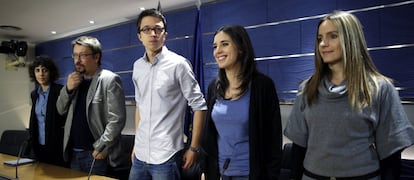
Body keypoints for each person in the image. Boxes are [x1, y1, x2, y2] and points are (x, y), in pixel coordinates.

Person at [284, 11, 414, 180]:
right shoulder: (307, 89)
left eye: (332, 36)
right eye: (319, 38)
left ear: (351, 39)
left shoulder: (380, 89)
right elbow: (298, 148)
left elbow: (391, 155)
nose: (323, 44)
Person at [129, 8, 207, 180]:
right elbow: (139, 107)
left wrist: (193, 148)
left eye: (158, 29)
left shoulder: (178, 64)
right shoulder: (137, 67)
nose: (153, 34)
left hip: (167, 155)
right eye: (147, 29)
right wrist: (136, 143)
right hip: (140, 154)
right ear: (139, 36)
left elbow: (199, 106)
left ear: (165, 34)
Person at [202, 25, 283, 180]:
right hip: (220, 174)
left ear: (241, 48)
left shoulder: (262, 86)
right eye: (215, 46)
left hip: (251, 174)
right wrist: (205, 169)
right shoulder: (214, 87)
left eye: (224, 44)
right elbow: (209, 136)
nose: (217, 51)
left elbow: (273, 139)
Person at [56, 36, 126, 175]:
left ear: (96, 57)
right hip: (74, 153)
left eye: (82, 55)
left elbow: (117, 120)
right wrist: (68, 89)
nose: (77, 60)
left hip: (96, 155)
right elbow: (60, 109)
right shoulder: (74, 81)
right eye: (75, 55)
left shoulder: (109, 80)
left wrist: (101, 147)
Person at [28, 56, 67, 167]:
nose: (41, 74)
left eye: (44, 70)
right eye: (37, 70)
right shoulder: (34, 94)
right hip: (38, 146)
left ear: (51, 72)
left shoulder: (60, 91)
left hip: (56, 146)